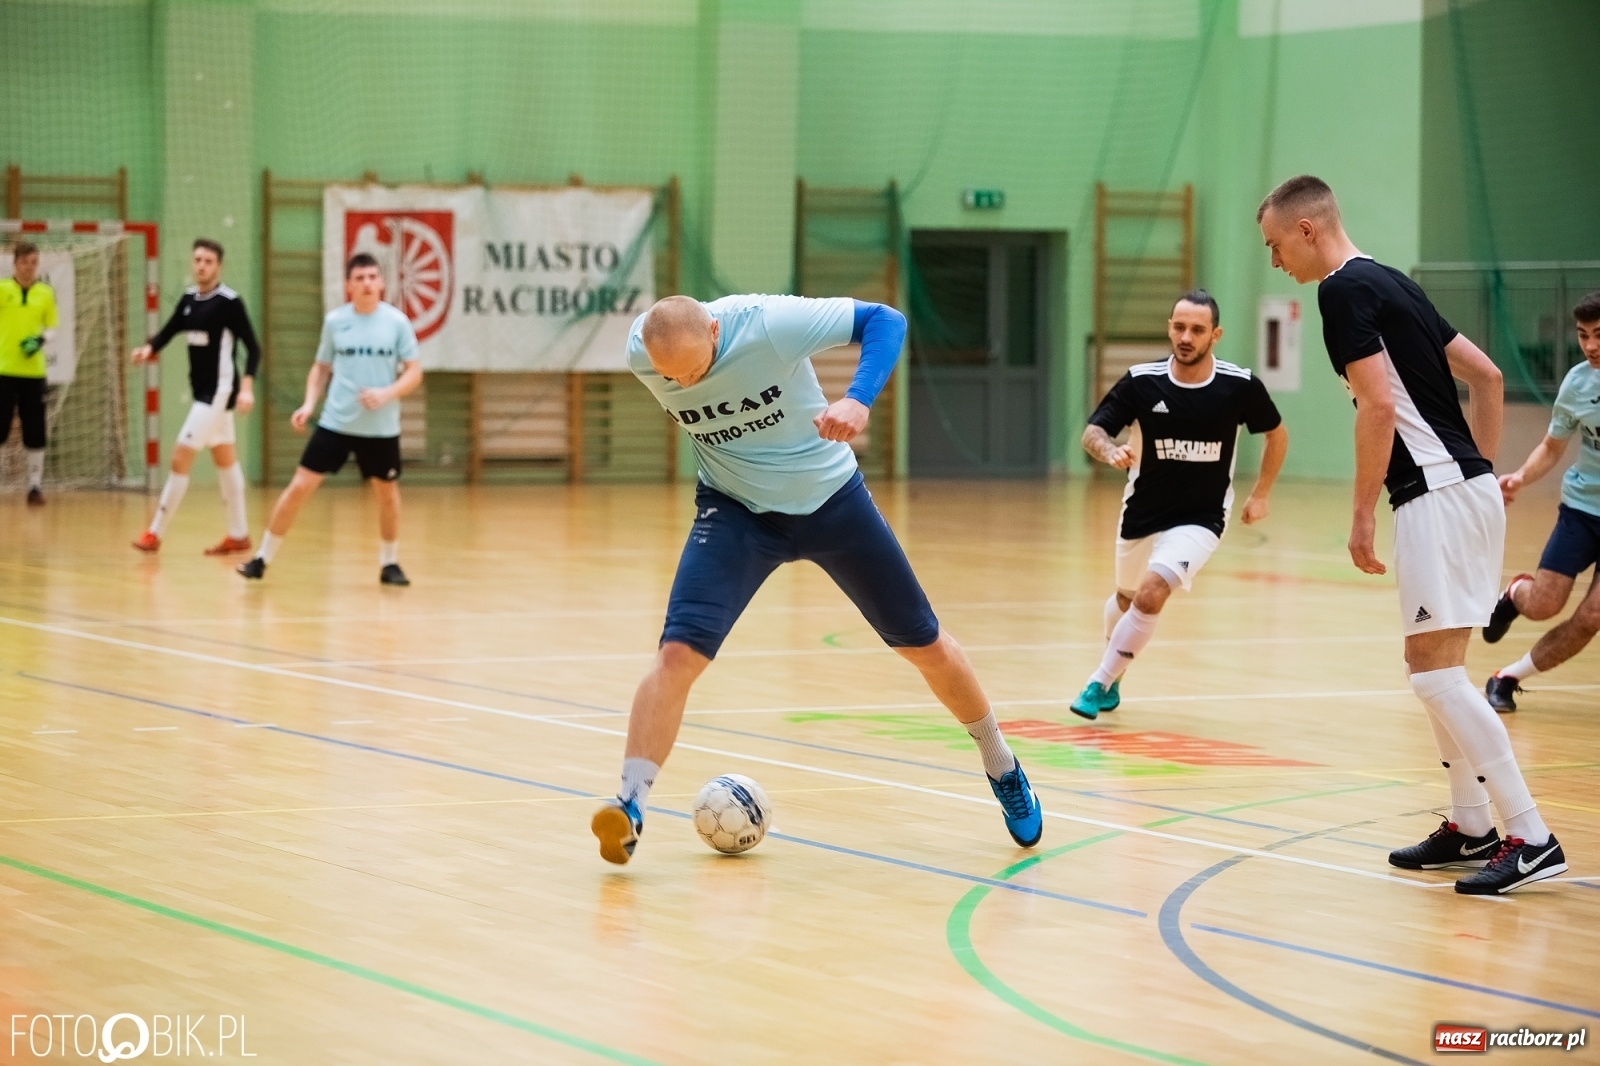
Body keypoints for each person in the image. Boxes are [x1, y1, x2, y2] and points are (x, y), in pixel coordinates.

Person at [590, 294, 1043, 864]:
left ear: (713, 329)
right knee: (678, 653)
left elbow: (886, 320)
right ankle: (630, 805)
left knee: (924, 644)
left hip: (832, 502)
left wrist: (857, 400)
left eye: (694, 370)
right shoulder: (643, 352)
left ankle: (1002, 764)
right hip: (736, 512)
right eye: (670, 378)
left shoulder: (769, 325)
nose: (683, 384)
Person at [1257, 174, 1566, 894]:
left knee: (1433, 673)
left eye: (1275, 246)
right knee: (1433, 670)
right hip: (1460, 488)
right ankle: (1470, 824)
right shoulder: (1393, 281)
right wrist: (1482, 477)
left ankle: (1531, 833)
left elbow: (1378, 407)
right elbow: (1487, 379)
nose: (1276, 263)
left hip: (1432, 494)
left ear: (1307, 230)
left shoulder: (1341, 291)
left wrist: (1363, 509)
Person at [1072, 290, 1288, 719]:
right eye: (1179, 327)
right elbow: (1093, 432)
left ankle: (1098, 682)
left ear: (1216, 334)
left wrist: (1261, 492)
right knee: (1126, 597)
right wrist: (1109, 450)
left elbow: (1276, 434)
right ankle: (1116, 674)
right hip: (1143, 509)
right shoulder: (1141, 381)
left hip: (1201, 517)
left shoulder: (1238, 385)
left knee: (1152, 594)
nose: (1186, 337)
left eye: (1197, 329)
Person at [237, 252, 421, 585]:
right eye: (359, 278)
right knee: (299, 487)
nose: (366, 284)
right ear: (349, 285)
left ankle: (389, 563)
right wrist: (309, 404)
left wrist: (387, 393)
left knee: (387, 494)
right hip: (337, 422)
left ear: (381, 282)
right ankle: (261, 558)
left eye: (372, 277)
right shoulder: (336, 321)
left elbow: (414, 372)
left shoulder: (396, 322)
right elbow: (321, 366)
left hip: (380, 428)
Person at [1480, 290, 1600, 710]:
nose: (1590, 346)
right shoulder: (1578, 383)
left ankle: (1507, 677)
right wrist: (1520, 477)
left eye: (1599, 335)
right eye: (1583, 335)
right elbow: (1552, 447)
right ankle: (1515, 594)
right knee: (1545, 605)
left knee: (1592, 616)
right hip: (1584, 510)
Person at [130, 239, 262, 553]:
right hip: (201, 391)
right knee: (225, 460)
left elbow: (253, 348)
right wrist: (148, 349)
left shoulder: (229, 302)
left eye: (209, 261)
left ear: (219, 266)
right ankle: (239, 535)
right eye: (198, 260)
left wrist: (246, 388)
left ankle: (154, 533)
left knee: (180, 457)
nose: (202, 265)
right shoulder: (189, 299)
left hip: (218, 392)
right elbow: (170, 329)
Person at [0, 241, 58, 506]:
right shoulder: (3, 290)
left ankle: (34, 486)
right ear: (15, 264)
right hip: (4, 370)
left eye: (34, 262)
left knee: (35, 428)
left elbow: (52, 327)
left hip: (33, 373)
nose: (29, 267)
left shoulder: (45, 293)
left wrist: (39, 341)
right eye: (25, 262)